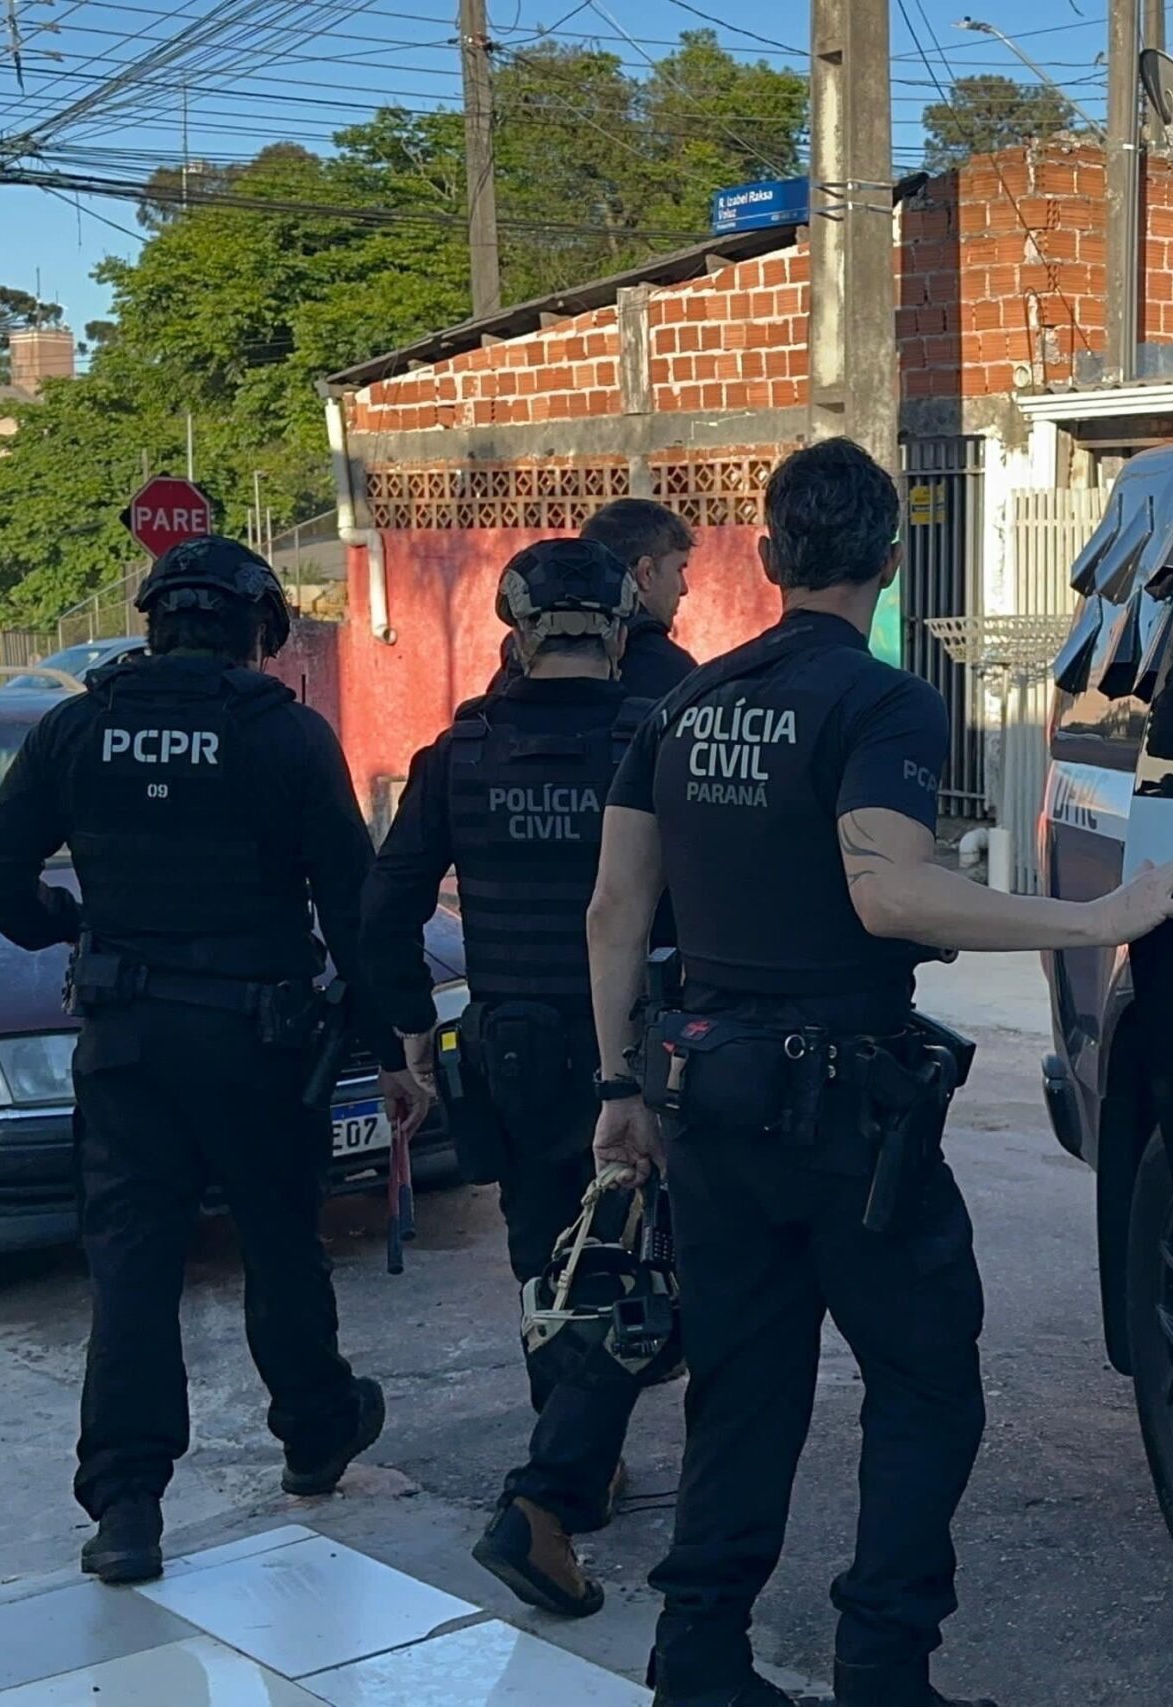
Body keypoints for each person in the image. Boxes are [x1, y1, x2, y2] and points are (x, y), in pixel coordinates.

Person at [585, 437, 1173, 1707]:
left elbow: (612, 910)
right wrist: (1103, 917)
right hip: (846, 1110)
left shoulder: (682, 706)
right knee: (926, 1389)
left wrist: (616, 1094)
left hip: (704, 1095)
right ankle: (880, 1669)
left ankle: (697, 1660)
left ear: (770, 556)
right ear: (884, 558)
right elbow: (891, 894)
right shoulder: (881, 703)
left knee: (742, 1392)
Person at [0, 537, 423, 1586]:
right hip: (259, 1043)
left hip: (126, 1040)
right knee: (281, 1241)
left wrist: (73, 925)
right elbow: (351, 909)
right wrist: (389, 1041)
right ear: (257, 628)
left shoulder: (78, 726)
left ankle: (127, 1506)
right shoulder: (285, 734)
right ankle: (315, 1432)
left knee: (131, 1264)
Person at [361, 536, 682, 1619]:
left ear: (517, 632)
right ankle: (560, 1485)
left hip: (510, 1050)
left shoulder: (461, 752)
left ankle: (576, 1468)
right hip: (636, 1050)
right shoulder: (652, 739)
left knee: (549, 1262)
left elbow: (384, 909)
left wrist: (413, 1031)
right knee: (646, 1265)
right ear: (621, 630)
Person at [489, 499, 699, 697]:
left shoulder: (514, 664)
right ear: (647, 572)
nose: (684, 589)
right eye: (679, 569)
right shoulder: (671, 672)